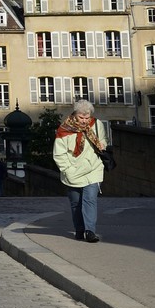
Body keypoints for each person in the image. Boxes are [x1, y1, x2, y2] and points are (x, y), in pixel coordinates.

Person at [53, 99, 107, 243]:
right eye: (81, 118)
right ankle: (80, 229)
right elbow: (59, 154)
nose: (84, 121)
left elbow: (103, 141)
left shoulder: (97, 125)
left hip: (92, 169)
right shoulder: (64, 129)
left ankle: (90, 231)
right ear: (75, 115)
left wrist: (103, 145)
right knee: (76, 203)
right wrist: (68, 170)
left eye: (87, 117)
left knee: (90, 199)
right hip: (73, 171)